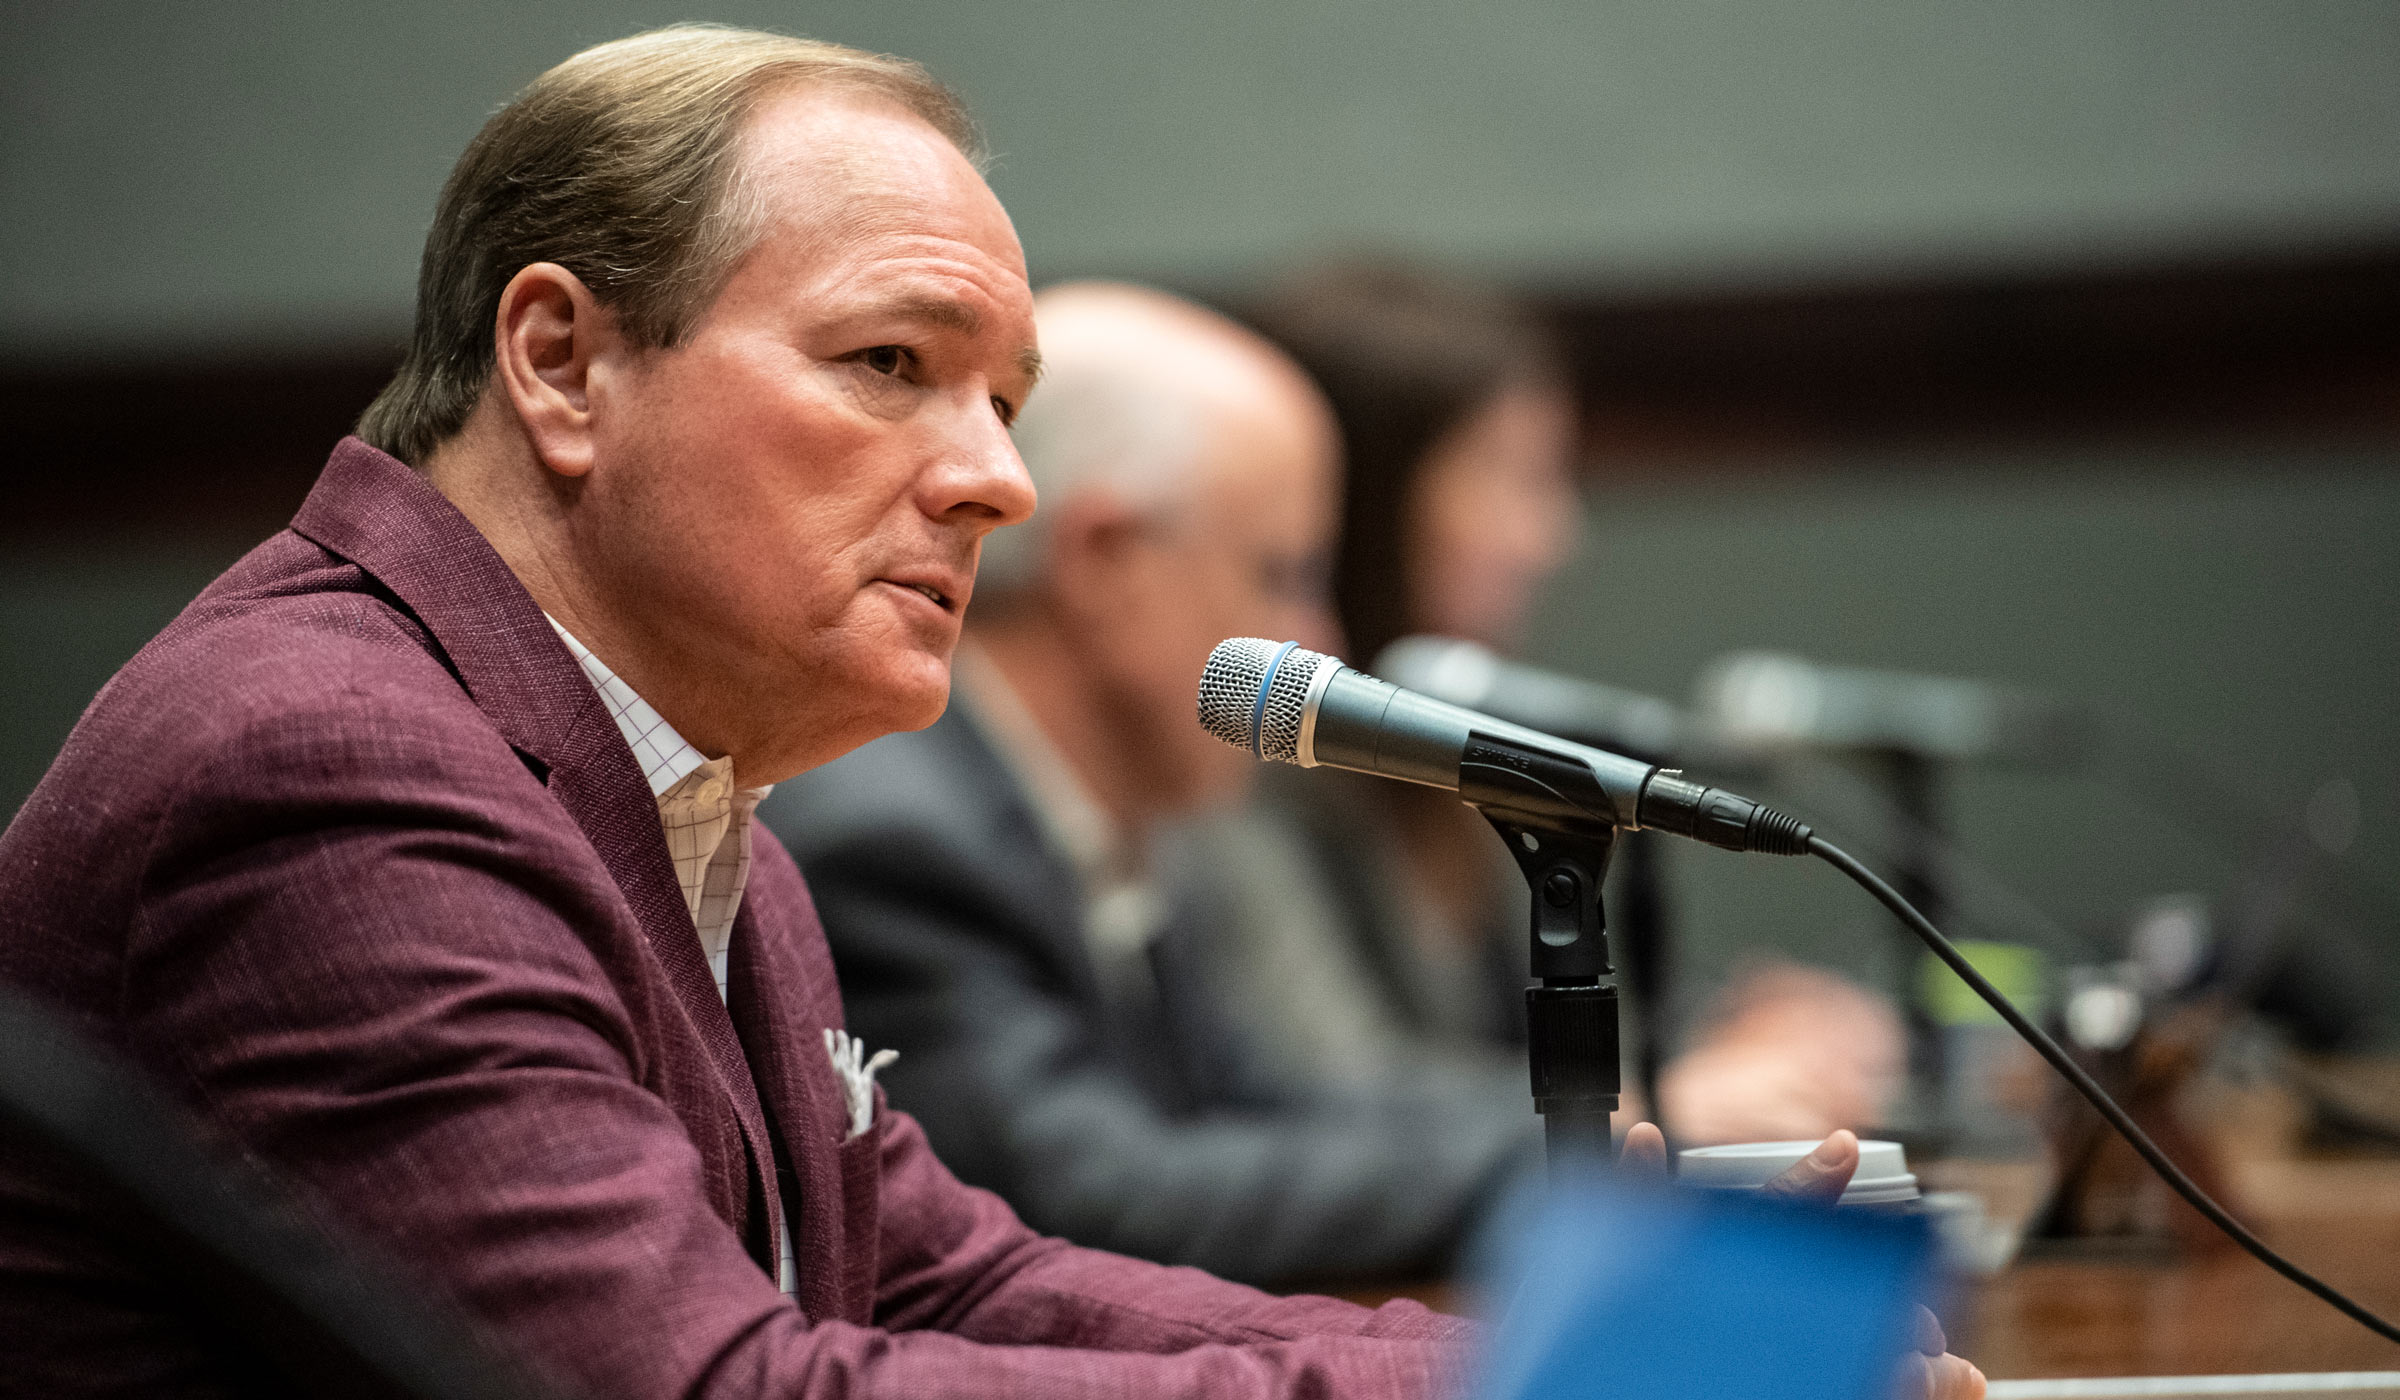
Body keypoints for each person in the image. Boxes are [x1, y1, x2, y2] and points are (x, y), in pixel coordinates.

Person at [0, 27, 1976, 1400]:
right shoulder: (331, 772)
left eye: (1004, 403)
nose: (996, 482)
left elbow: (955, 1272)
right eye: (890, 363)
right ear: (560, 363)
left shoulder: (674, 784)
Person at [764, 282, 1545, 1290]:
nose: (1328, 644)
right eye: (1286, 574)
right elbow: (1093, 1202)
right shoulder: (899, 834)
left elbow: (1269, 1111)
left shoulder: (1112, 822)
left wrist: (1625, 1123)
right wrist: (1580, 1155)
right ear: (1105, 560)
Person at [1210, 263, 1906, 1145]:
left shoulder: (1448, 757)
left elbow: (1513, 1034)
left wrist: (1723, 1030)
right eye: (1511, 476)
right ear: (1367, 504)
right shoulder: (1244, 768)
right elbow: (1340, 1095)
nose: (1552, 534)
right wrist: (1668, 1099)